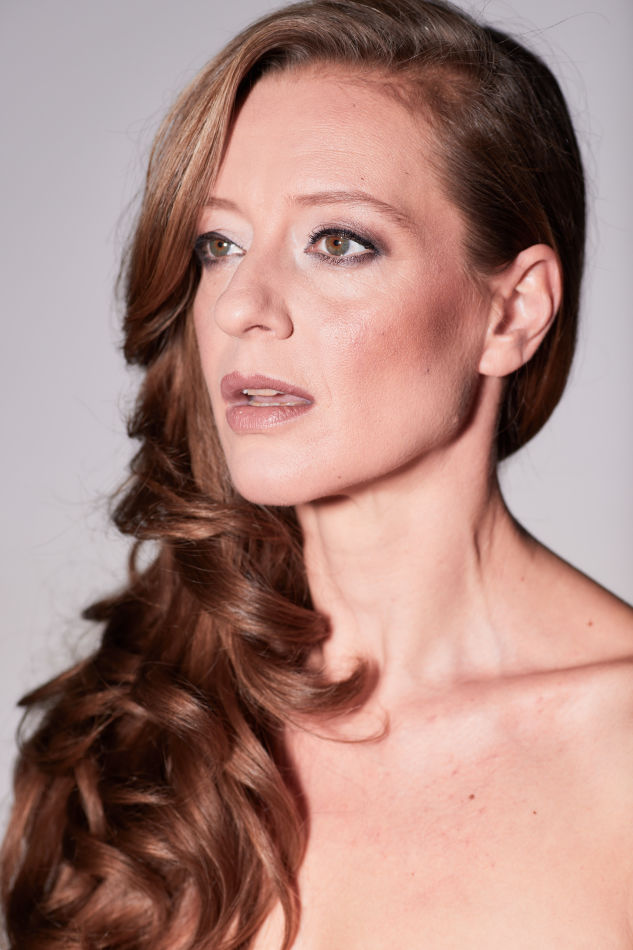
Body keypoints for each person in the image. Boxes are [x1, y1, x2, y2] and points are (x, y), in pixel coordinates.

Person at [2, 0, 633, 947]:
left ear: (511, 312)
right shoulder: (131, 734)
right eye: (219, 245)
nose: (242, 307)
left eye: (337, 241)